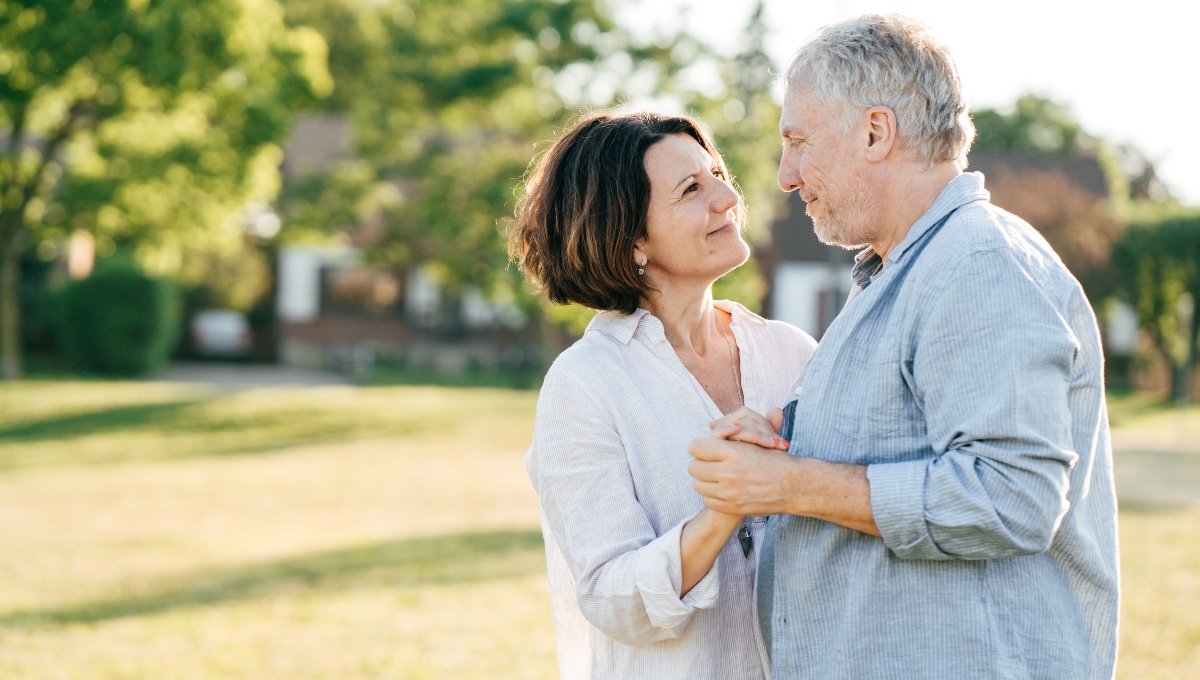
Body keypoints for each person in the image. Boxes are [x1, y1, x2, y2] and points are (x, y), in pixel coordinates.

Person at [687, 15, 1120, 680]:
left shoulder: (977, 263)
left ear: (875, 131)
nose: (785, 174)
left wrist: (788, 485)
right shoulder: (902, 272)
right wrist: (785, 437)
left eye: (798, 141)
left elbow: (1010, 497)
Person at [509, 112, 816, 679]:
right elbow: (611, 596)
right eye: (691, 189)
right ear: (631, 240)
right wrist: (724, 507)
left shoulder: (792, 354)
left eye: (719, 174)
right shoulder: (585, 385)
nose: (728, 197)